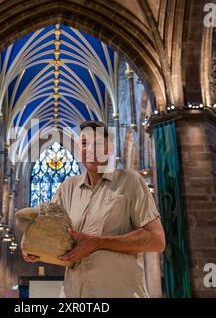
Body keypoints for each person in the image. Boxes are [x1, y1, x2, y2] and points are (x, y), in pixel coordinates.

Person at [23, 120, 165, 298]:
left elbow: (156, 240)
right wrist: (36, 248)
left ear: (111, 148)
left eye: (98, 143)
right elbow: (55, 234)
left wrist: (98, 242)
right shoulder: (68, 188)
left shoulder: (130, 182)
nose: (91, 149)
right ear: (77, 149)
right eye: (84, 143)